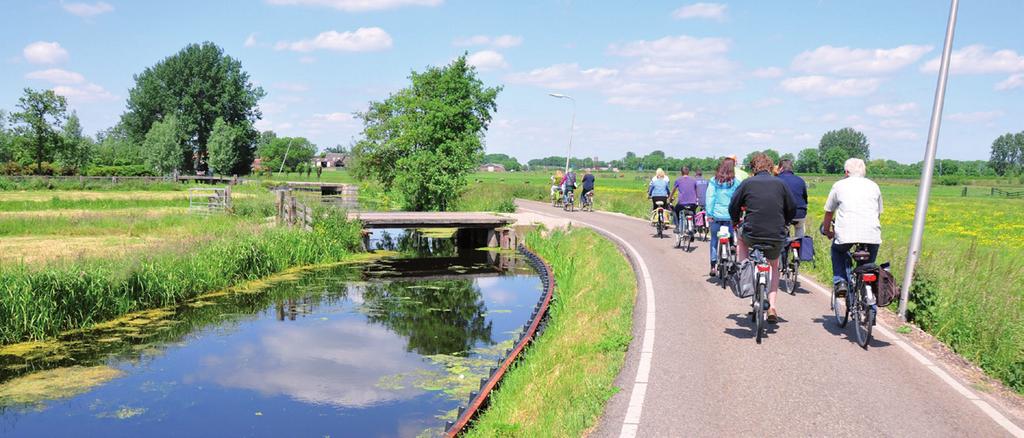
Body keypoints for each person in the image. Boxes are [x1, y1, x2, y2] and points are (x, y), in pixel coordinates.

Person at [729, 154, 796, 323]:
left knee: (741, 239)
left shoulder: (747, 183)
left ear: (753, 168)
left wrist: (736, 222)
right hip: (776, 234)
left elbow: (733, 206)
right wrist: (785, 223)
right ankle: (772, 306)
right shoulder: (781, 184)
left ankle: (745, 270)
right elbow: (792, 208)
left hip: (751, 233)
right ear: (770, 167)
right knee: (774, 265)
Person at [822, 158, 883, 298]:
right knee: (868, 267)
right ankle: (869, 301)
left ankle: (840, 281)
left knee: (837, 251)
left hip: (845, 235)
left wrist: (827, 230)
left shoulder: (839, 185)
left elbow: (829, 211)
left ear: (846, 172)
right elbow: (878, 213)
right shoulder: (874, 186)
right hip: (872, 236)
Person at [705, 158, 740, 276]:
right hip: (730, 216)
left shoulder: (714, 181)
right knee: (730, 235)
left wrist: (709, 214)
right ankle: (732, 249)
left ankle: (713, 266)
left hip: (716, 216)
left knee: (714, 240)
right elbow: (738, 199)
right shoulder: (736, 182)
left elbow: (710, 198)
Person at [776, 159, 808, 238]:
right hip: (800, 213)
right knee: (800, 228)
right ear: (792, 168)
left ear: (780, 168)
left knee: (783, 233)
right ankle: (800, 245)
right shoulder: (800, 180)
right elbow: (805, 198)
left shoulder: (776, 180)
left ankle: (785, 246)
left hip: (784, 214)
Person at [670, 167, 699, 233]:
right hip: (692, 203)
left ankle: (677, 227)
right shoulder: (694, 180)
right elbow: (696, 191)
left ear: (681, 172)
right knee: (693, 212)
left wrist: (670, 199)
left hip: (682, 204)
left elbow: (673, 191)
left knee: (675, 211)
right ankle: (694, 226)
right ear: (688, 172)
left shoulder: (678, 180)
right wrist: (697, 199)